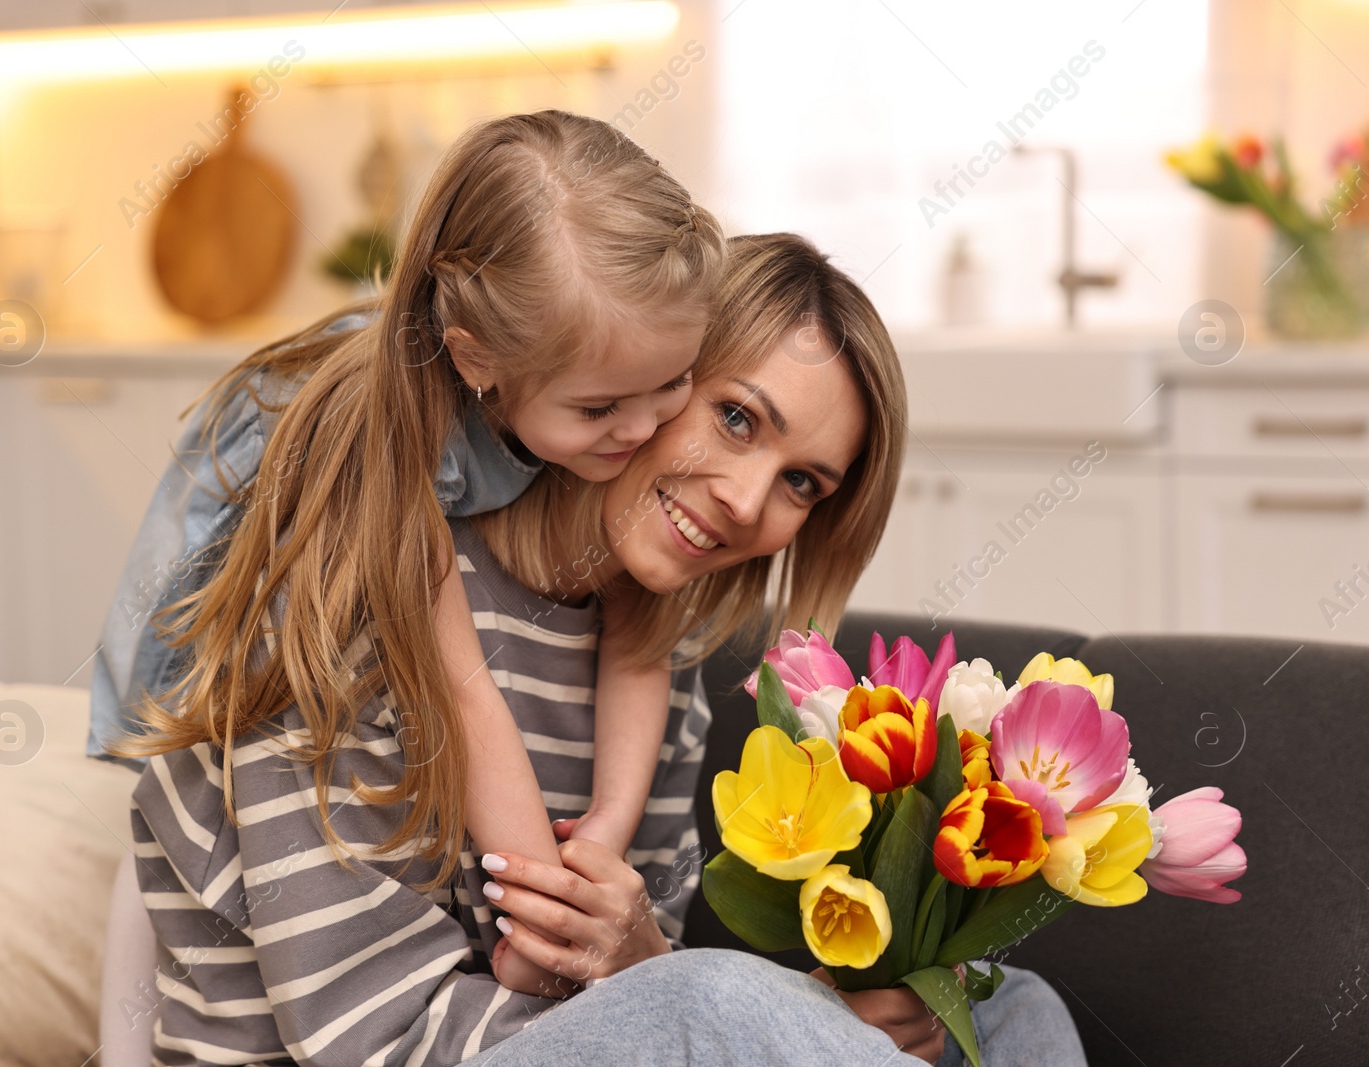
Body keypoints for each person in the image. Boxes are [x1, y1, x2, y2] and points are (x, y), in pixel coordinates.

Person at [115, 234, 1088, 1065]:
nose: (749, 501)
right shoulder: (356, 588)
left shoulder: (659, 670)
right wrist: (709, 1003)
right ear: (644, 375)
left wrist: (638, 954)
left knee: (1010, 1008)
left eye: (802, 483)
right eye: (736, 417)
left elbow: (628, 1004)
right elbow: (368, 1032)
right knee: (716, 998)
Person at [91, 110, 727, 1000]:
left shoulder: (568, 382)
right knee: (173, 805)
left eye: (673, 383)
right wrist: (540, 915)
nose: (644, 428)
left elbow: (638, 624)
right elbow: (466, 700)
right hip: (210, 591)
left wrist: (604, 835)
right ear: (478, 362)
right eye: (599, 410)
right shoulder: (388, 461)